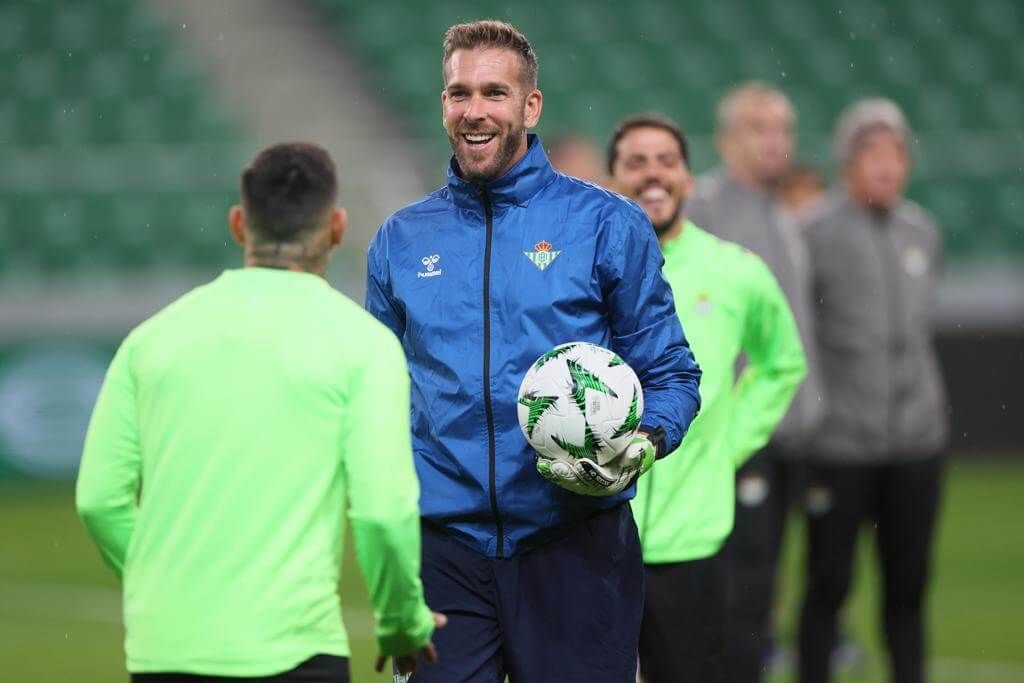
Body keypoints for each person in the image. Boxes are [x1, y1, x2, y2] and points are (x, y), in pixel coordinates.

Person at [365, 21, 702, 683]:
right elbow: (377, 398)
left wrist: (646, 438)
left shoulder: (607, 224)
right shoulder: (400, 240)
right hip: (444, 550)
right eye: (459, 93)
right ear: (443, 106)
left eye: (495, 91)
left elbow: (671, 371)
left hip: (574, 541)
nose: (475, 110)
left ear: (530, 106)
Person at [76, 142, 442, 682]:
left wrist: (167, 587)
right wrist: (402, 624)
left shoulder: (150, 340)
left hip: (166, 652)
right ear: (337, 227)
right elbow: (382, 515)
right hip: (295, 650)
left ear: (238, 224)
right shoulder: (362, 345)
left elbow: (99, 501)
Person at [608, 113, 806, 683]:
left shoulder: (736, 271)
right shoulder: (579, 270)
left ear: (689, 180)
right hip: (591, 533)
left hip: (691, 539)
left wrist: (729, 444)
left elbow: (782, 363)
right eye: (636, 163)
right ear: (611, 179)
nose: (653, 175)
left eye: (666, 162)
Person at [798, 99, 948, 683]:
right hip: (838, 445)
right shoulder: (812, 231)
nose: (887, 166)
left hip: (917, 440)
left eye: (896, 153)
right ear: (847, 163)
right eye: (873, 153)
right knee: (828, 584)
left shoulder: (922, 231)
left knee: (908, 587)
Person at [686, 81, 823, 682]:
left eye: (783, 129)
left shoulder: (789, 216)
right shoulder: (704, 209)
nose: (775, 141)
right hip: (737, 436)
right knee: (735, 591)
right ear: (726, 139)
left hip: (789, 431)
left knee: (766, 588)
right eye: (759, 127)